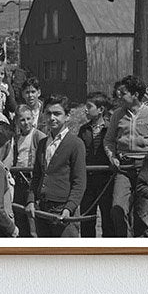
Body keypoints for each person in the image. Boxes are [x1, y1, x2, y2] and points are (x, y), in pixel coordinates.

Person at [104, 74, 148, 237]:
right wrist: (112, 157)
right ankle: (124, 245)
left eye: (123, 92)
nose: (118, 96)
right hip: (123, 168)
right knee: (117, 209)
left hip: (146, 171)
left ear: (135, 94)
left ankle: (141, 252)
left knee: (143, 216)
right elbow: (108, 140)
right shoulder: (117, 115)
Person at [26, 95, 87, 238]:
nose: (52, 118)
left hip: (62, 208)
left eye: (57, 113)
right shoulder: (42, 143)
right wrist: (30, 200)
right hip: (42, 208)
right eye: (48, 113)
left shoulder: (75, 144)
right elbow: (37, 176)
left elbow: (80, 181)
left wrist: (69, 208)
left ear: (67, 116)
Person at [78, 92, 115, 237]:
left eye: (89, 106)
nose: (86, 110)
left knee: (108, 218)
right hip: (88, 180)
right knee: (87, 218)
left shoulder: (110, 129)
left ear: (100, 110)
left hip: (106, 179)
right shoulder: (84, 130)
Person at [13, 103, 45, 237]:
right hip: (19, 179)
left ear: (33, 119)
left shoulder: (38, 136)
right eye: (22, 120)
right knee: (20, 216)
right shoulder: (16, 138)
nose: (26, 123)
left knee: (33, 217)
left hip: (31, 179)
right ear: (17, 122)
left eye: (28, 119)